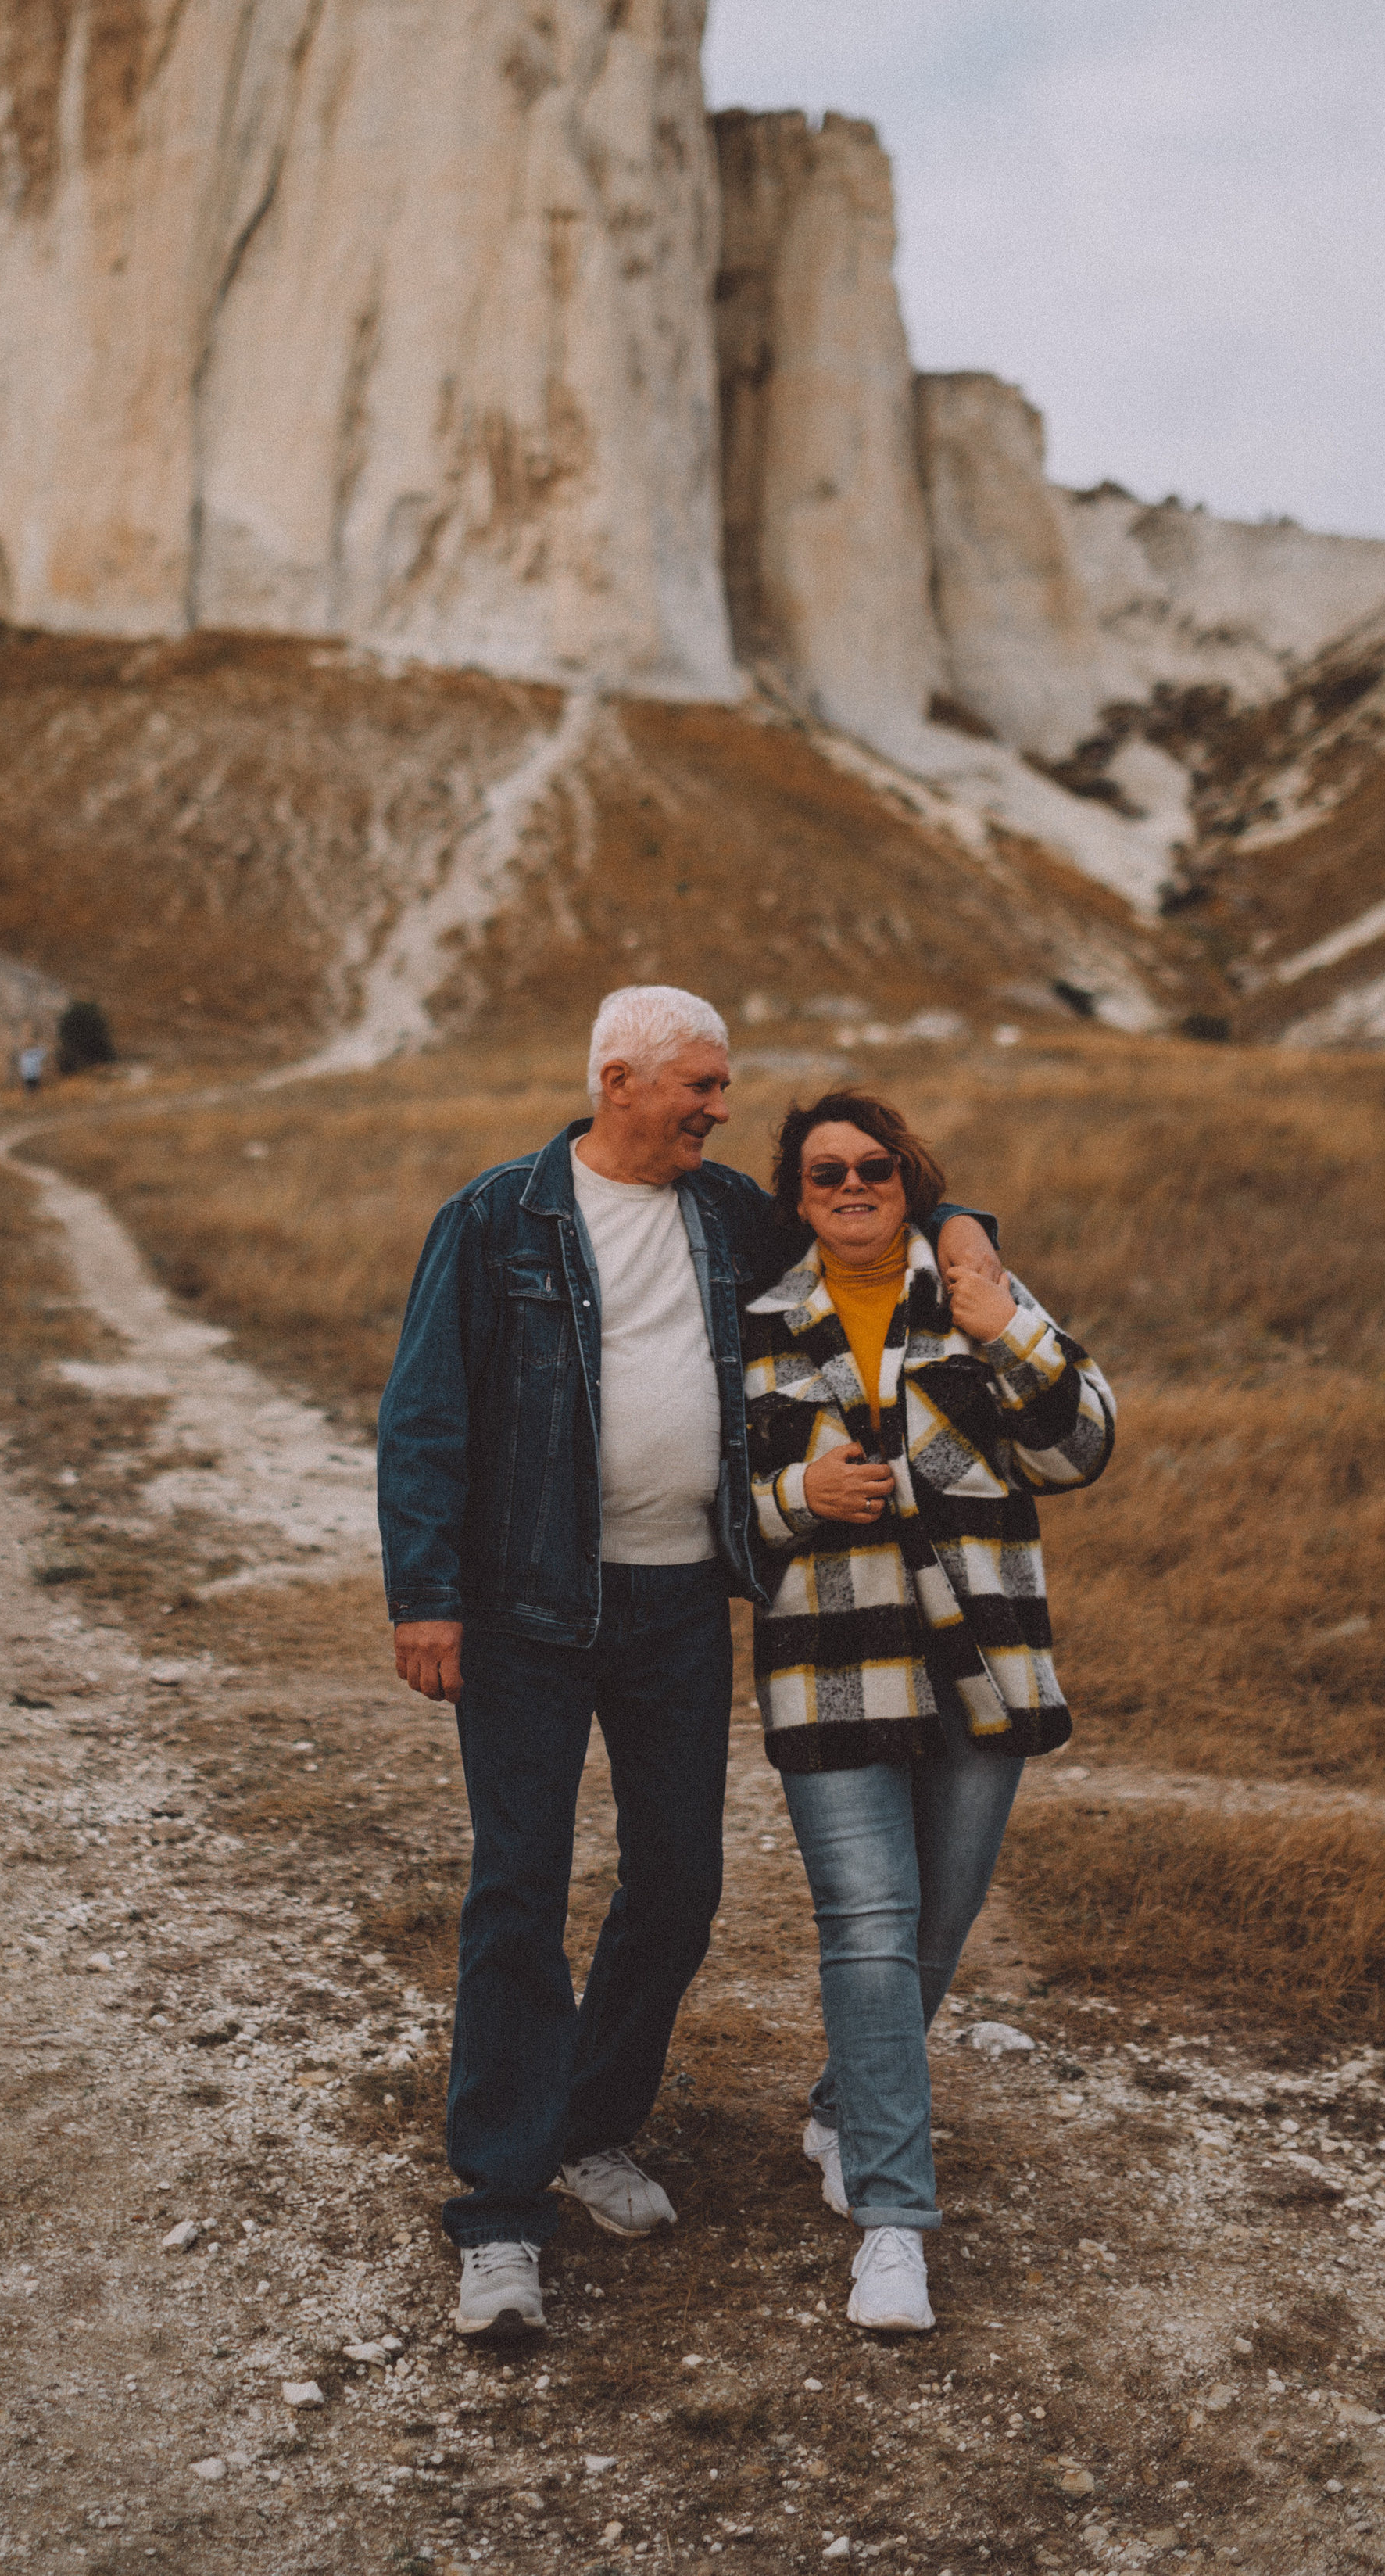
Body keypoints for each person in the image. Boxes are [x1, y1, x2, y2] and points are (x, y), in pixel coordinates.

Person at [376, 989, 1005, 2342]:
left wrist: (966, 1229)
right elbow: (425, 1412)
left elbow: (870, 1209)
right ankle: (498, 2215)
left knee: (678, 1884)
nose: (723, 1111)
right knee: (518, 1892)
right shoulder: (499, 1218)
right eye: (703, 1088)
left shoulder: (727, 1213)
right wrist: (425, 1595)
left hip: (679, 1610)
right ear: (619, 1079)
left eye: (722, 1091)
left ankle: (592, 2125)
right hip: (526, 1612)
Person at [742, 1088, 1115, 2334]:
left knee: (936, 1928)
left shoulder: (977, 1296)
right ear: (796, 1196)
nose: (851, 1188)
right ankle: (895, 2226)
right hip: (829, 1665)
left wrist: (1005, 1317)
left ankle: (848, 2108)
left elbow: (1083, 1447)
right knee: (869, 1923)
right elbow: (709, 1509)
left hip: (985, 1664)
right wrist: (797, 1494)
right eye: (825, 1172)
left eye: (875, 1170)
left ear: (911, 1182)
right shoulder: (755, 1324)